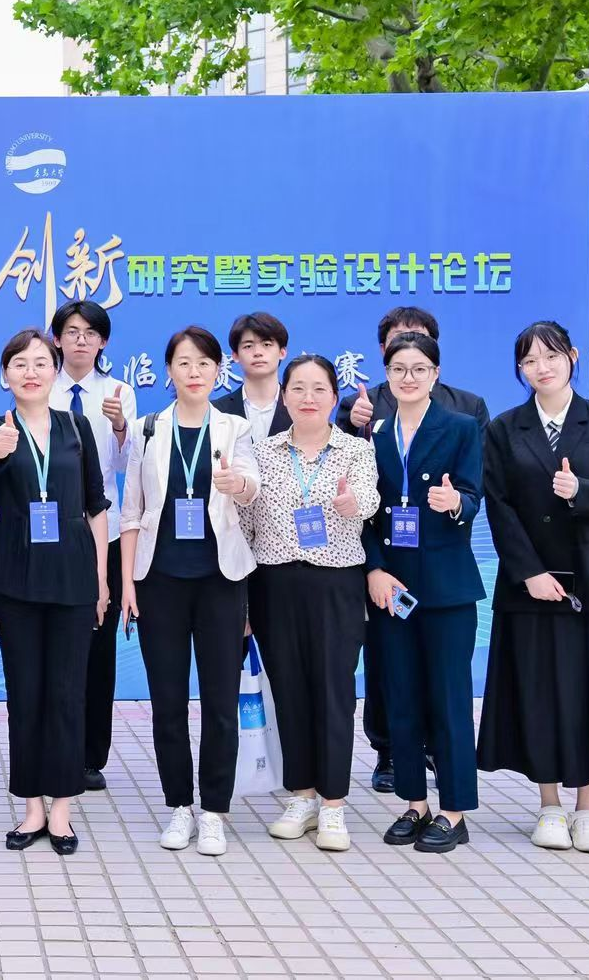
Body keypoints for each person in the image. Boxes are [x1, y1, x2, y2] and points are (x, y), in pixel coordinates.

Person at [478, 321, 589, 854]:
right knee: (538, 688)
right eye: (530, 360)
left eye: (551, 356)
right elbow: (498, 504)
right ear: (520, 369)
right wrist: (529, 572)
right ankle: (549, 804)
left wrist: (581, 490)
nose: (542, 368)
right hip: (529, 582)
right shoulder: (505, 428)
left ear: (573, 357)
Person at [118, 326, 259, 856]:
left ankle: (215, 810)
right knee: (168, 701)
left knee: (221, 701)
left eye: (203, 363)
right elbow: (131, 512)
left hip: (221, 582)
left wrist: (237, 485)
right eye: (183, 363)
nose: (194, 372)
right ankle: (179, 805)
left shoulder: (235, 427)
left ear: (218, 371)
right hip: (159, 582)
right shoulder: (148, 429)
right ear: (169, 371)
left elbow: (252, 487)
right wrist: (128, 584)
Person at [338, 305, 490, 794]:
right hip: (392, 588)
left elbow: (473, 494)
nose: (409, 378)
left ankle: (454, 809)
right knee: (399, 696)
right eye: (399, 369)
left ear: (435, 373)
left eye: (419, 369)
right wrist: (374, 569)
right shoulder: (373, 436)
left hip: (446, 586)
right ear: (386, 372)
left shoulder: (460, 426)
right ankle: (413, 802)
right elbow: (367, 513)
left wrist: (456, 503)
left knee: (449, 699)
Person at [0, 329, 110, 856]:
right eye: (19, 363)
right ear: (4, 374)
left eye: (40, 363)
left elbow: (96, 507)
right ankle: (31, 805)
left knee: (67, 691)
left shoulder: (77, 426)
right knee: (25, 691)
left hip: (74, 574)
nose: (30, 372)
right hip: (16, 572)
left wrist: (101, 579)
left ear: (55, 371)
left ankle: (62, 810)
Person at [241, 356, 381, 853]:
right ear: (284, 396)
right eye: (298, 388)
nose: (308, 398)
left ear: (333, 397)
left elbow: (369, 499)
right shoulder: (262, 450)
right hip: (274, 583)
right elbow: (246, 524)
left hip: (335, 584)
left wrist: (352, 504)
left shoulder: (354, 449)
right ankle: (301, 796)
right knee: (289, 691)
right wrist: (244, 600)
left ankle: (334, 804)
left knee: (334, 692)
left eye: (319, 388)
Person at [49, 299, 136, 792]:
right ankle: (56, 747)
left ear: (103, 342)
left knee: (98, 647)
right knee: (57, 644)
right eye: (71, 331)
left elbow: (127, 465)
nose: (80, 340)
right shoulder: (43, 387)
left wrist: (120, 426)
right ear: (57, 339)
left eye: (90, 333)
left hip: (106, 531)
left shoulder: (118, 392)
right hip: (51, 531)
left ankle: (89, 755)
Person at [214, 311, 292, 441]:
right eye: (248, 346)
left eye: (266, 344)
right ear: (235, 356)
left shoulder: (300, 406)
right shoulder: (217, 411)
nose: (257, 352)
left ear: (282, 352)